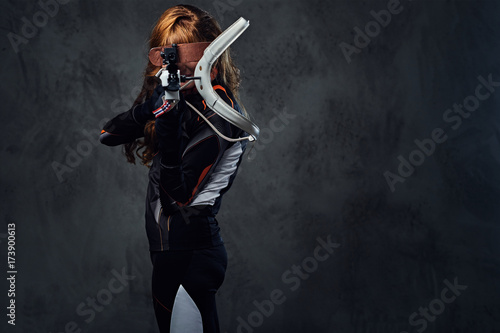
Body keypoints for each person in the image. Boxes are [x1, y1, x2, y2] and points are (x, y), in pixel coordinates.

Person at [99, 4, 249, 333]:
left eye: (192, 58)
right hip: (170, 254)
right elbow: (107, 135)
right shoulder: (179, 100)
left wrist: (167, 137)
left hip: (190, 255)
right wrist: (149, 110)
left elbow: (176, 200)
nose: (184, 70)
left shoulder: (221, 114)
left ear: (213, 56)